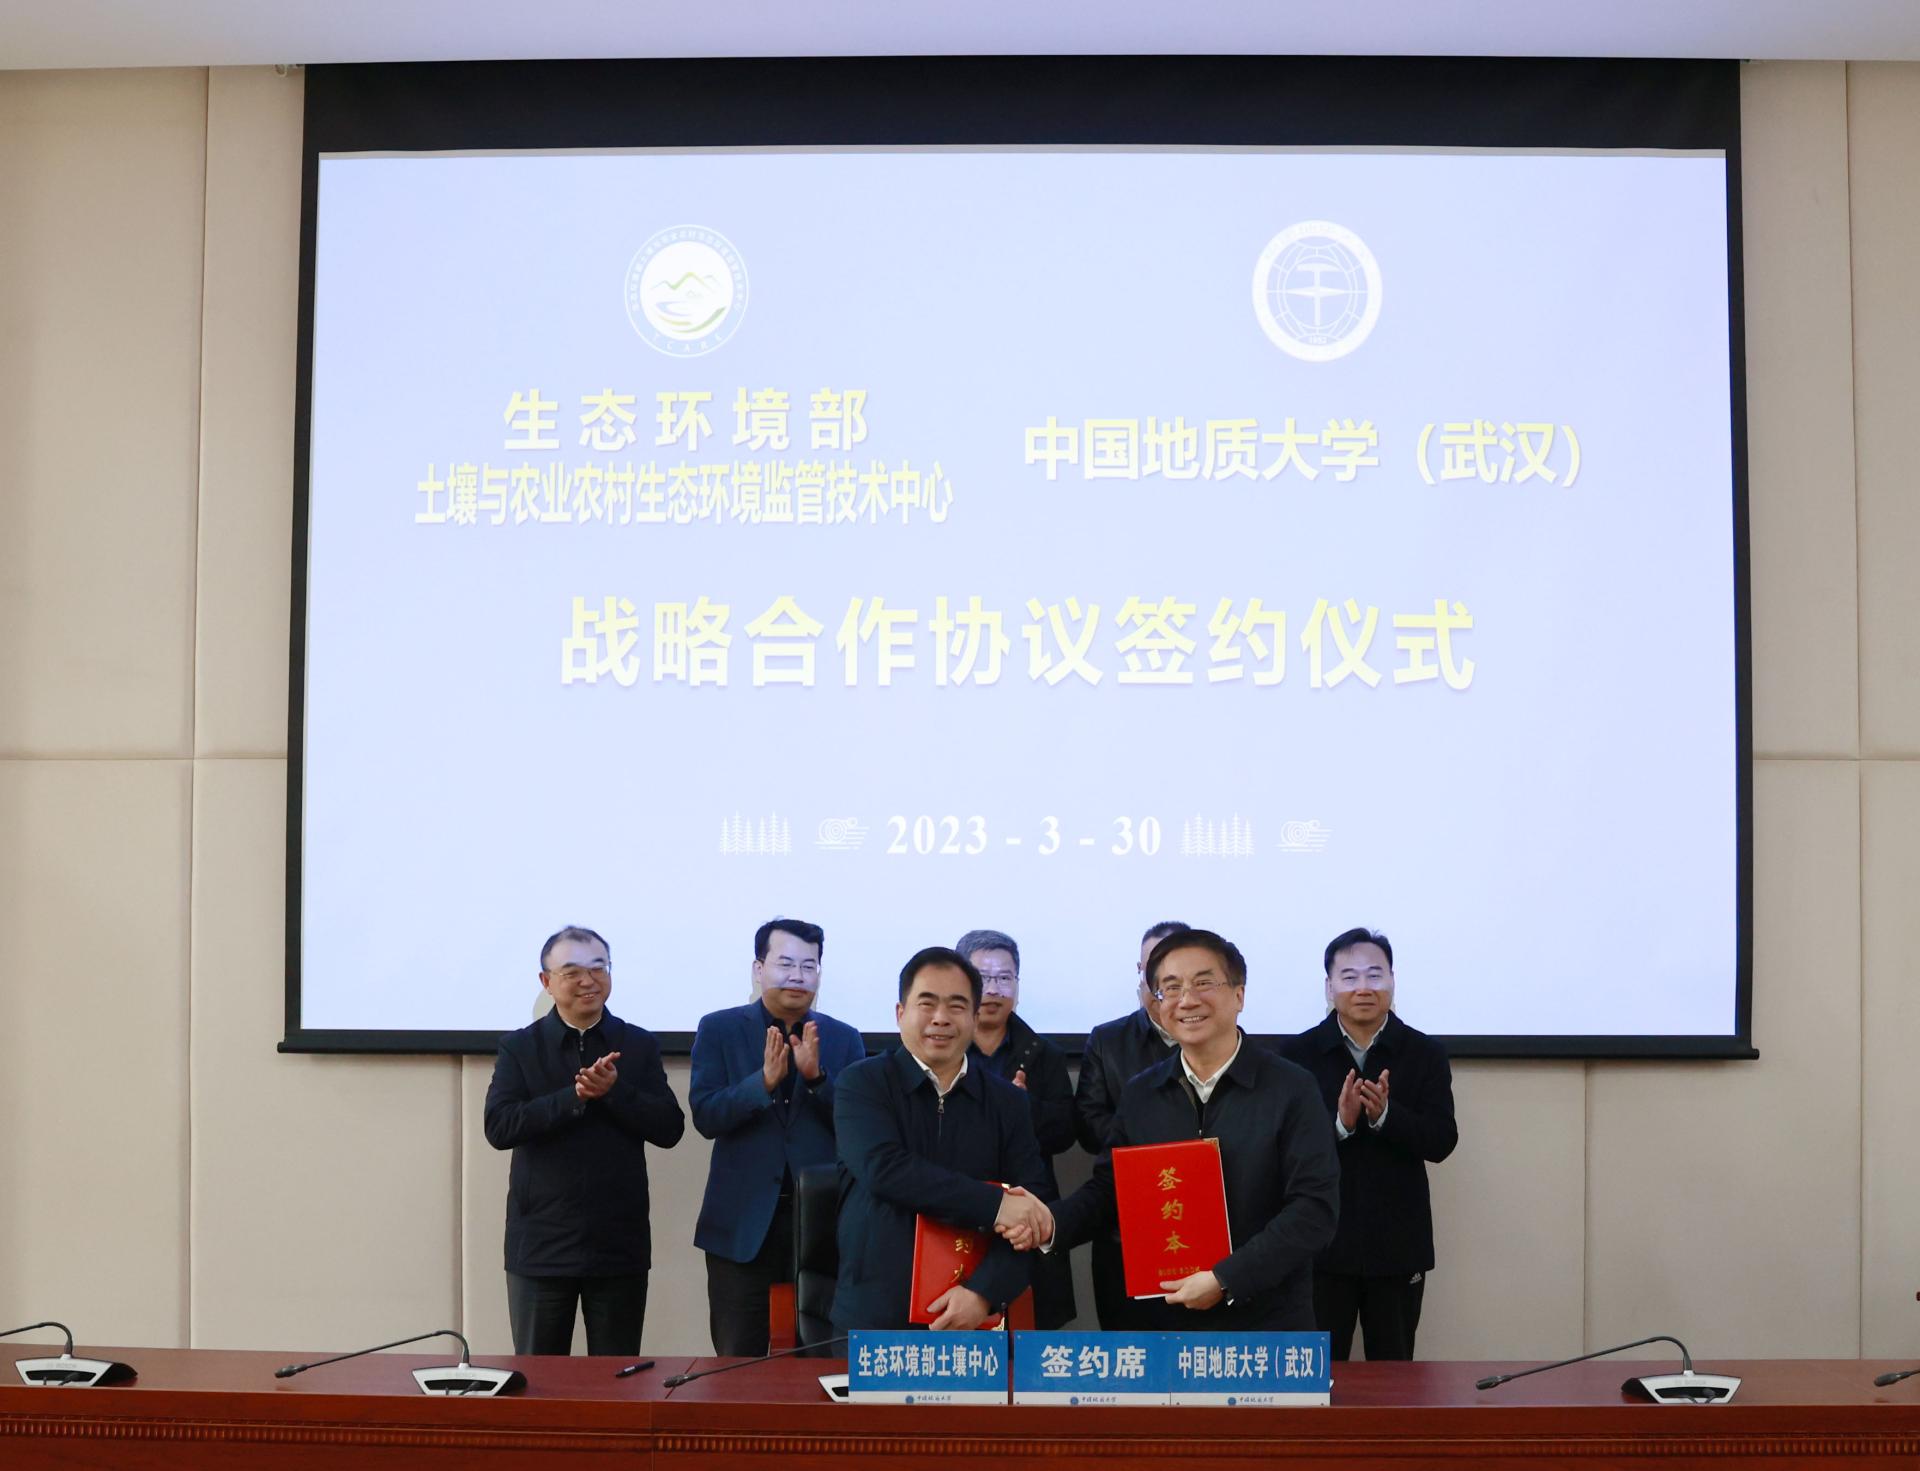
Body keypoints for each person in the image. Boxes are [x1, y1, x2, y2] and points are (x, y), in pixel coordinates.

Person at [1012, 929, 1340, 1331]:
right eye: (1170, 987)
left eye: (1204, 983)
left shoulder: (1292, 1088)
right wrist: (1051, 1223)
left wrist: (1226, 1278)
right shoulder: (1142, 1093)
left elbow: (1313, 1210)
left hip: (1264, 1322)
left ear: (1239, 995)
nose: (1186, 1000)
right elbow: (1111, 1190)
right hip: (1164, 1321)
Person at [483, 925, 685, 1355]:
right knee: (539, 1378)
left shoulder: (638, 1044)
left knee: (615, 1379)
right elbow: (499, 1127)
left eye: (598, 968)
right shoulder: (520, 1048)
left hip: (618, 1244)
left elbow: (670, 1128)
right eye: (572, 971)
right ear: (546, 981)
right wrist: (573, 1097)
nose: (588, 981)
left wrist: (615, 1091)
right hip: (541, 1244)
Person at [830, 946, 1054, 1332]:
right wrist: (997, 1206)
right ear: (900, 1013)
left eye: (956, 1005)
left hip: (976, 1320)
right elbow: (885, 1170)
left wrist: (983, 1294)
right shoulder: (862, 1083)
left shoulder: (1008, 1102)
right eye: (927, 1003)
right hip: (875, 1319)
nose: (940, 1018)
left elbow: (1031, 1212)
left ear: (974, 1017)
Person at [691, 917, 866, 1356]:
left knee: (823, 1357)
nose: (798, 976)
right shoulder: (719, 1029)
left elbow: (859, 1128)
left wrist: (817, 1079)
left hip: (824, 1224)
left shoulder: (844, 1038)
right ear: (759, 969)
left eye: (809, 966)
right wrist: (763, 1083)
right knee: (737, 1356)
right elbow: (706, 1116)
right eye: (785, 964)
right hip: (742, 1221)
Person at [1282, 927, 1457, 1361]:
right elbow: (1281, 1149)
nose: (1363, 987)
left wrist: (1386, 1117)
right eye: (1349, 977)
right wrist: (1338, 1125)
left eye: (1375, 975)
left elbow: (1441, 1140)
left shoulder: (1424, 1053)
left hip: (1397, 1244)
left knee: (1394, 1372)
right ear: (1329, 987)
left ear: (1393, 981)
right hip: (1320, 1245)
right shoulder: (1297, 1056)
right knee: (1317, 1370)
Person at [955, 928, 1077, 1329]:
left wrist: (1023, 1107)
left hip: (1029, 1209)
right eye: (982, 978)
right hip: (960, 1208)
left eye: (1004, 978)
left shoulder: (1043, 1053)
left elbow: (1066, 1132)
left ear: (1018, 986)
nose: (993, 989)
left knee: (1033, 1334)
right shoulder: (943, 1048)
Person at [1072, 919, 1189, 1328]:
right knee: (1128, 1350)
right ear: (1139, 972)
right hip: (1123, 1222)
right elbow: (1088, 1123)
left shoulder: (1221, 1041)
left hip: (1201, 1220)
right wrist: (1154, 1152)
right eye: (1151, 969)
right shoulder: (1108, 1040)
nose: (1161, 982)